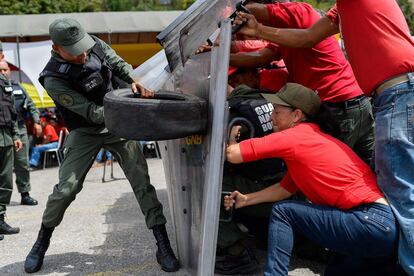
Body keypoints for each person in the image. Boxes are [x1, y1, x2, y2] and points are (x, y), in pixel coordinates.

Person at [235, 2, 414, 274]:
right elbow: (306, 37)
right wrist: (257, 30)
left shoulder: (325, 7)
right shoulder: (341, 10)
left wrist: (249, 13)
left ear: (296, 115)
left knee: (400, 193)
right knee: (385, 190)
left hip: (392, 93)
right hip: (384, 97)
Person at [24, 18, 180, 273]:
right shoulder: (53, 79)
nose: (83, 53)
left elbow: (118, 64)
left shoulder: (94, 44)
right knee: (66, 189)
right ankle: (42, 241)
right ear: (56, 48)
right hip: (86, 129)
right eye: (75, 50)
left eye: (83, 46)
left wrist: (135, 79)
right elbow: (90, 112)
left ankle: (163, 244)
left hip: (118, 125)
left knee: (142, 183)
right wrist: (127, 105)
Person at [225, 83, 398, 275]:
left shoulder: (295, 136)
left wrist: (232, 134)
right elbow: (284, 190)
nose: (271, 116)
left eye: (277, 111)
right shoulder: (313, 139)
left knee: (284, 212)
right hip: (382, 229)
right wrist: (247, 199)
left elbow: (232, 154)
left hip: (366, 221)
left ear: (296, 115)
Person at [231, 1, 374, 165]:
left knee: (327, 168)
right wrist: (219, 57)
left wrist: (231, 11)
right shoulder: (282, 35)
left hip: (337, 106)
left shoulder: (299, 11)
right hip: (356, 103)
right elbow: (263, 57)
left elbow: (261, 10)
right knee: (367, 170)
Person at [0, 60, 40, 205]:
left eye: (5, 70)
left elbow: (31, 106)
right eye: (0, 70)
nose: (3, 73)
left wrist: (37, 122)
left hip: (20, 128)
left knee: (22, 163)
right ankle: (3, 200)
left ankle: (25, 193)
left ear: (9, 71)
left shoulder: (18, 87)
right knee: (4, 167)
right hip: (3, 129)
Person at [0, 72, 23, 240]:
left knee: (5, 181)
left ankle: (0, 220)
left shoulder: (4, 82)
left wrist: (15, 135)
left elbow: (11, 110)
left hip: (6, 137)